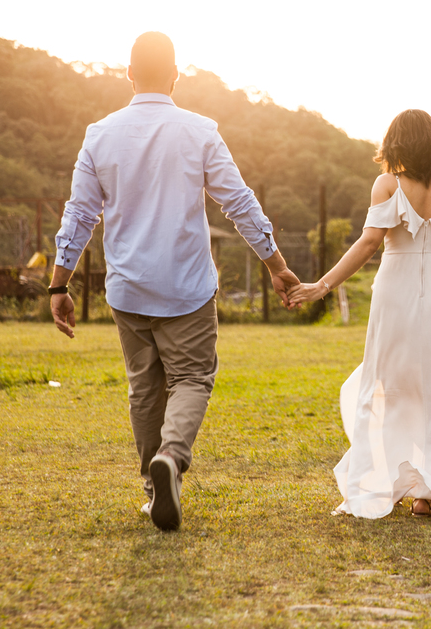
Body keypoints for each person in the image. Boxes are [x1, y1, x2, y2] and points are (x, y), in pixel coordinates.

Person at [49, 31, 299, 531]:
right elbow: (238, 202)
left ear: (128, 74)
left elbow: (80, 214)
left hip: (127, 288)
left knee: (145, 391)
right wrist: (276, 265)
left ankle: (153, 486)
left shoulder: (99, 134)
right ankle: (172, 457)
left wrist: (59, 284)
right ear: (176, 76)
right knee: (192, 379)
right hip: (186, 287)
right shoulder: (200, 130)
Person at [289, 109, 431, 521]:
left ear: (394, 143)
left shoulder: (386, 184)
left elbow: (367, 245)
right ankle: (423, 496)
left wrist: (320, 287)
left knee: (388, 387)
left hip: (394, 295)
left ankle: (387, 484)